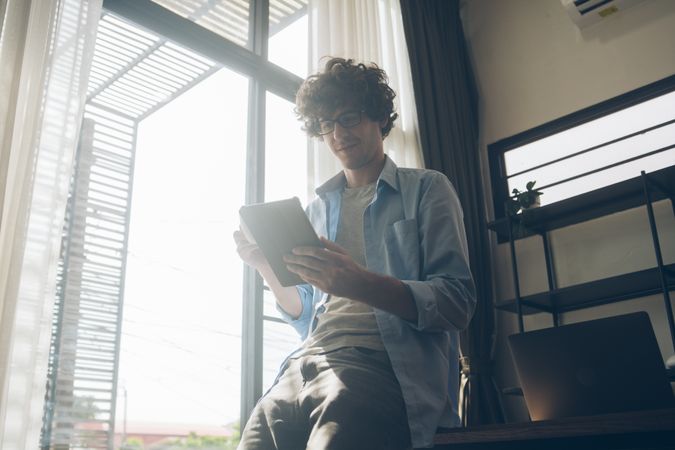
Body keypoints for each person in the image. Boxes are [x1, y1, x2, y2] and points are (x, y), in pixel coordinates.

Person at [233, 57, 476, 450]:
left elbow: (456, 302)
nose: (337, 134)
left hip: (381, 365)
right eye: (326, 125)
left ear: (379, 117)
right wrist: (264, 265)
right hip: (302, 365)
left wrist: (359, 283)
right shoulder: (315, 213)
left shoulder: (427, 189)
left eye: (348, 118)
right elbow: (305, 314)